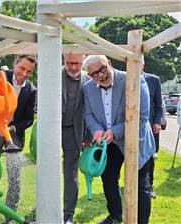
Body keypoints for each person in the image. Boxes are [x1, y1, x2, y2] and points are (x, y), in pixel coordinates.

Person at [82, 55, 155, 224]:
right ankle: (115, 216)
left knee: (140, 186)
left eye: (102, 69)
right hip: (109, 145)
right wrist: (97, 130)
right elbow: (89, 114)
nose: (100, 76)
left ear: (109, 63)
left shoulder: (134, 79)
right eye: (93, 74)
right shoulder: (88, 88)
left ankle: (141, 221)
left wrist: (115, 131)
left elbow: (142, 117)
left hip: (136, 141)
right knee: (108, 181)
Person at [0, 55, 37, 224]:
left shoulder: (31, 90)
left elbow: (29, 119)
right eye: (22, 68)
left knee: (15, 178)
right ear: (14, 63)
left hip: (14, 135)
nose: (24, 74)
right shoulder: (2, 76)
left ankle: (10, 218)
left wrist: (12, 128)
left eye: (29, 71)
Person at [61, 54, 89, 224]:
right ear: (64, 59)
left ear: (82, 62)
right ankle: (46, 205)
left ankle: (68, 214)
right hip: (52, 132)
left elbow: (91, 110)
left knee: (71, 174)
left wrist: (88, 137)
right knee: (48, 171)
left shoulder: (88, 79)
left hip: (74, 132)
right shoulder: (52, 75)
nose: (73, 67)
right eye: (69, 63)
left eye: (77, 63)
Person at [141, 56, 164, 199]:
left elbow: (159, 104)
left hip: (151, 127)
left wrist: (157, 122)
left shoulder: (154, 80)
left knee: (150, 158)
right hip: (131, 128)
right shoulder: (123, 79)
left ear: (142, 65)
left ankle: (150, 187)